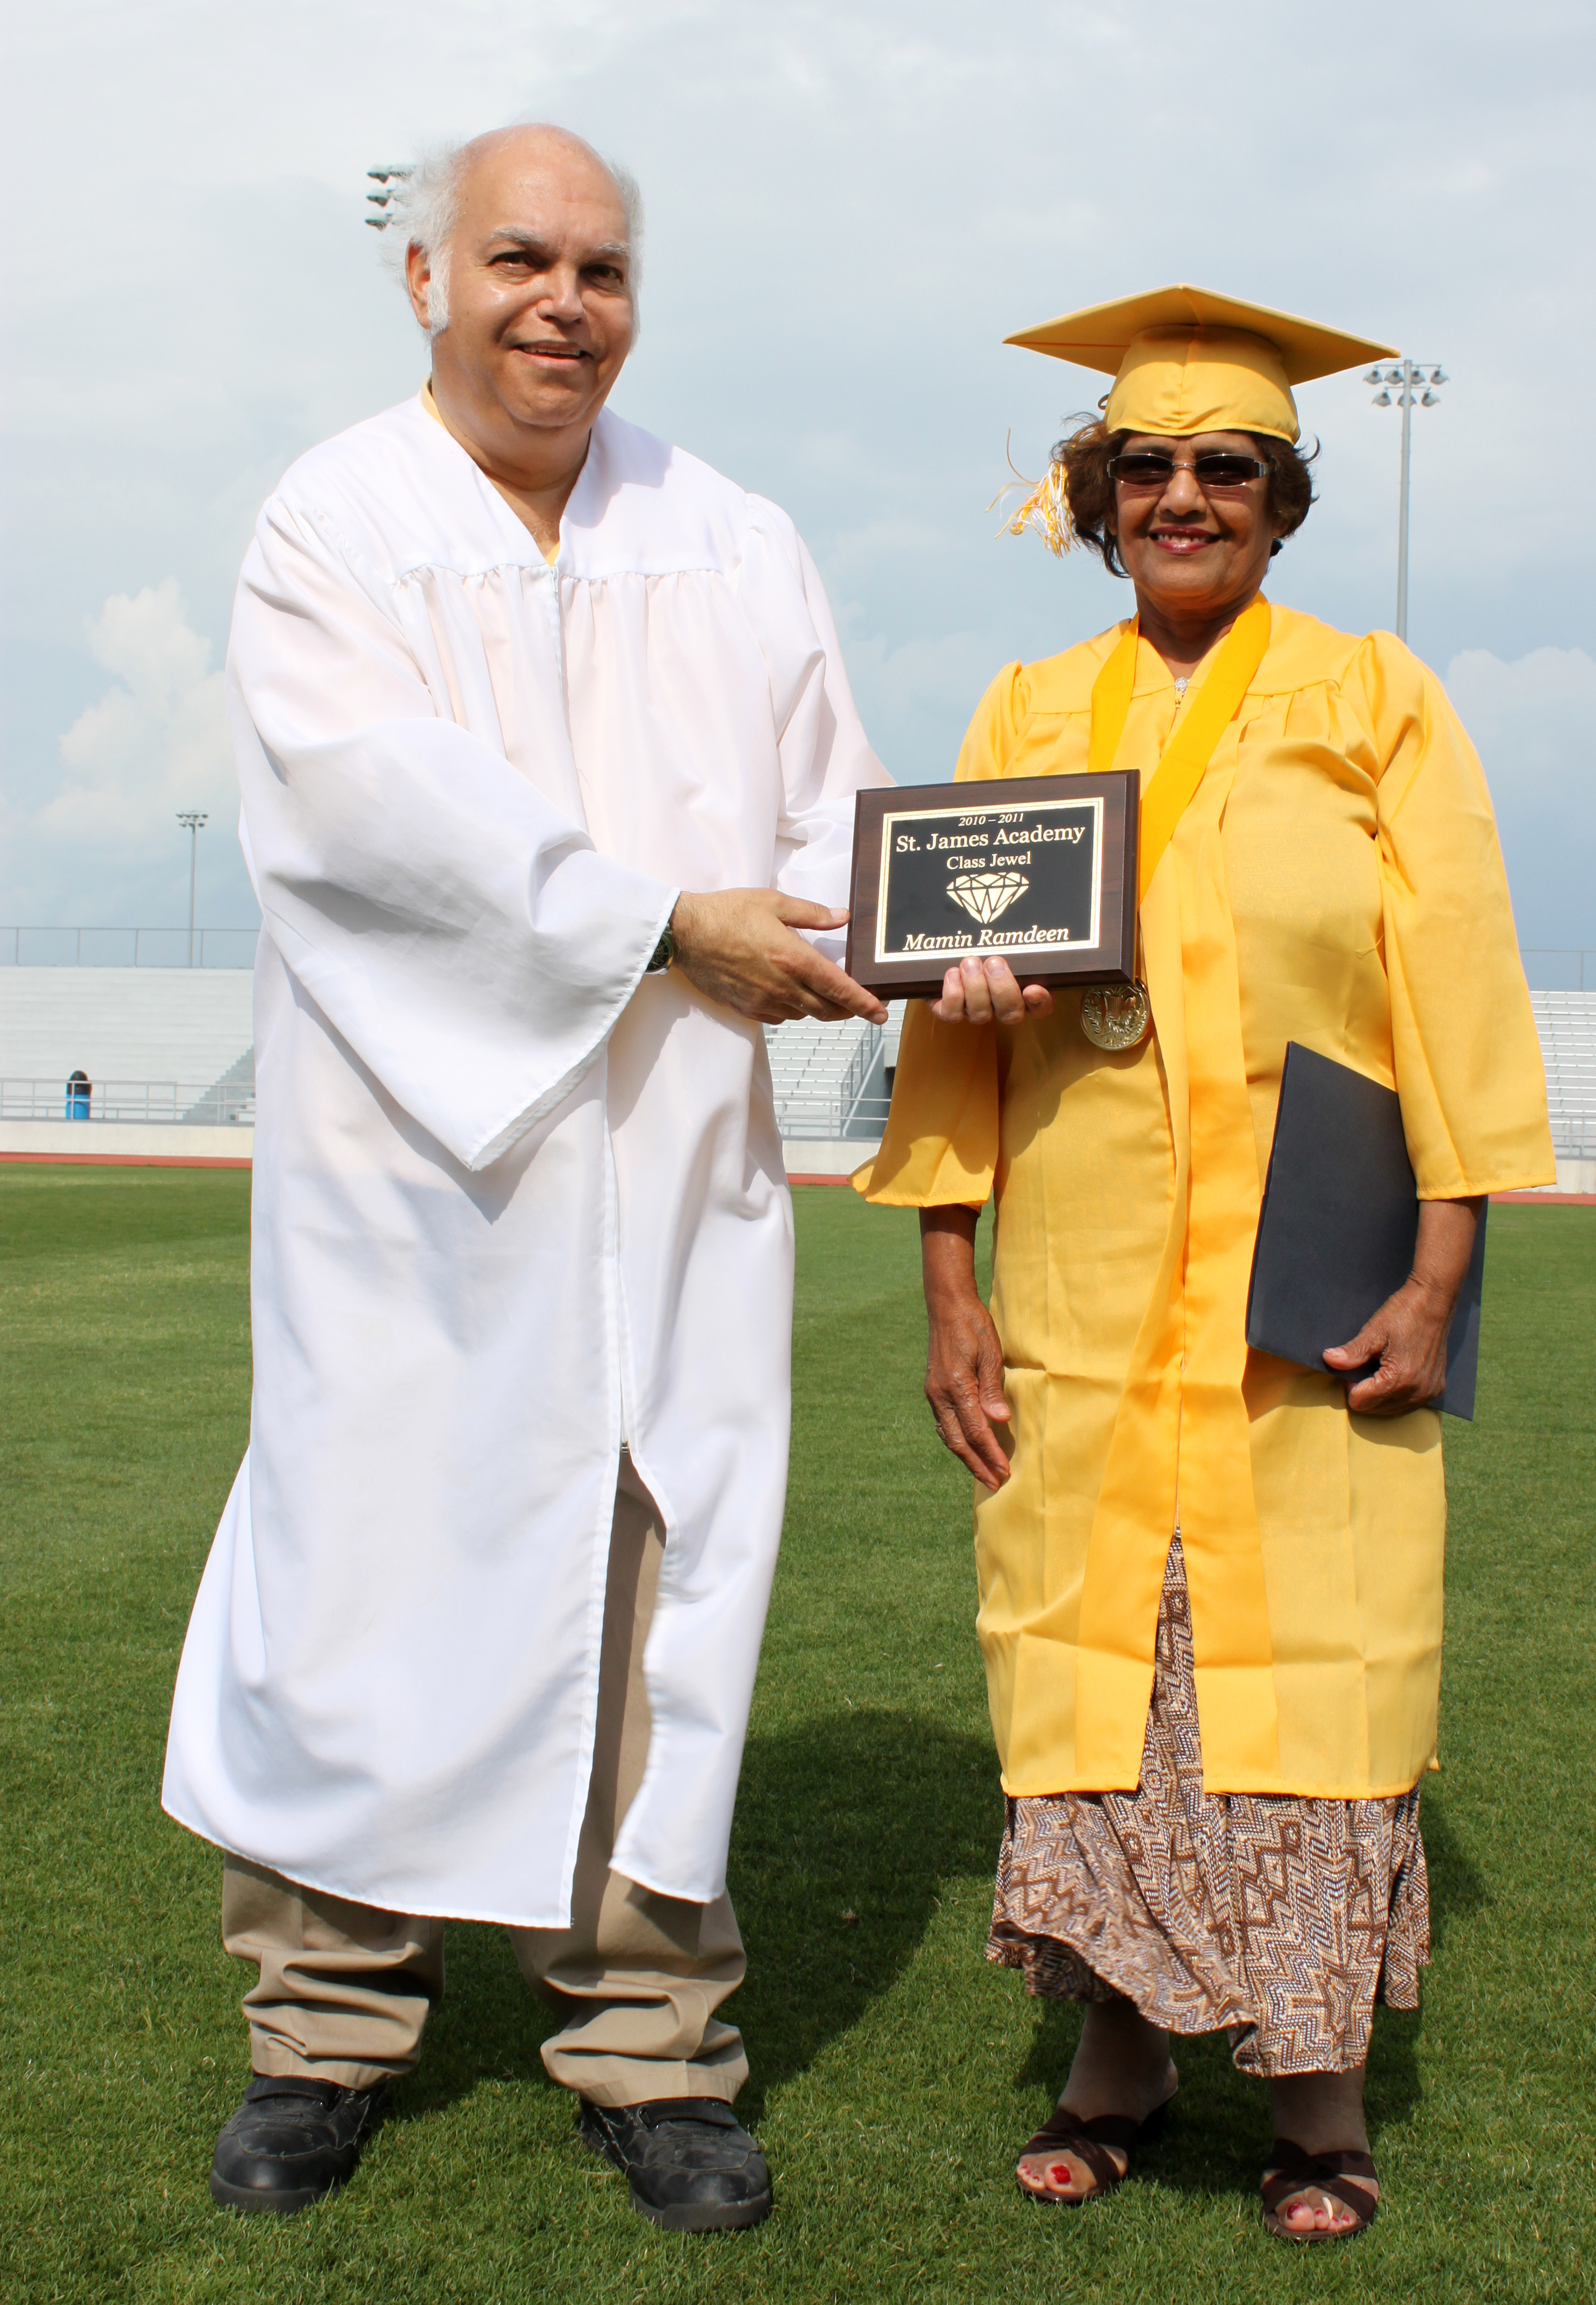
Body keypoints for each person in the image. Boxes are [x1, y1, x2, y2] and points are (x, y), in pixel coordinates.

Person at [161, 124, 888, 2230]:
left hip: (665, 1173)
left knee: (654, 1586)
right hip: (412, 1178)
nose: (563, 301)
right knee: (359, 1562)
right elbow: (371, 821)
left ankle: (651, 2042)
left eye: (602, 265)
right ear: (423, 281)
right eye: (518, 259)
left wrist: (938, 934)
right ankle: (321, 2026)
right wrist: (666, 924)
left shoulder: (730, 536)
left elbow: (834, 818)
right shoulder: (336, 521)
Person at [857, 285, 1553, 2243]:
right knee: (1107, 1674)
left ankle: (1317, 2094)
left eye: (1226, 465)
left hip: (1303, 1284)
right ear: (1096, 495)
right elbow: (949, 1025)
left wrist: (1440, 1272)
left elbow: (1459, 993)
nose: (1185, 494)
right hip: (1083, 1289)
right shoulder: (1027, 711)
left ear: (1281, 495)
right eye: (1146, 465)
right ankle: (1118, 2058)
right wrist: (950, 1285)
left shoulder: (1377, 696)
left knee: (1300, 1678)